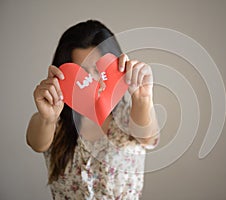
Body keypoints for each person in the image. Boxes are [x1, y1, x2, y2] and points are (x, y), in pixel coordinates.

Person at [26, 20, 160, 200]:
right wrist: (48, 118)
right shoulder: (53, 122)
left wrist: (143, 98)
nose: (92, 82)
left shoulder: (130, 116)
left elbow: (148, 136)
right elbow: (36, 143)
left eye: (98, 71)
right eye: (82, 73)